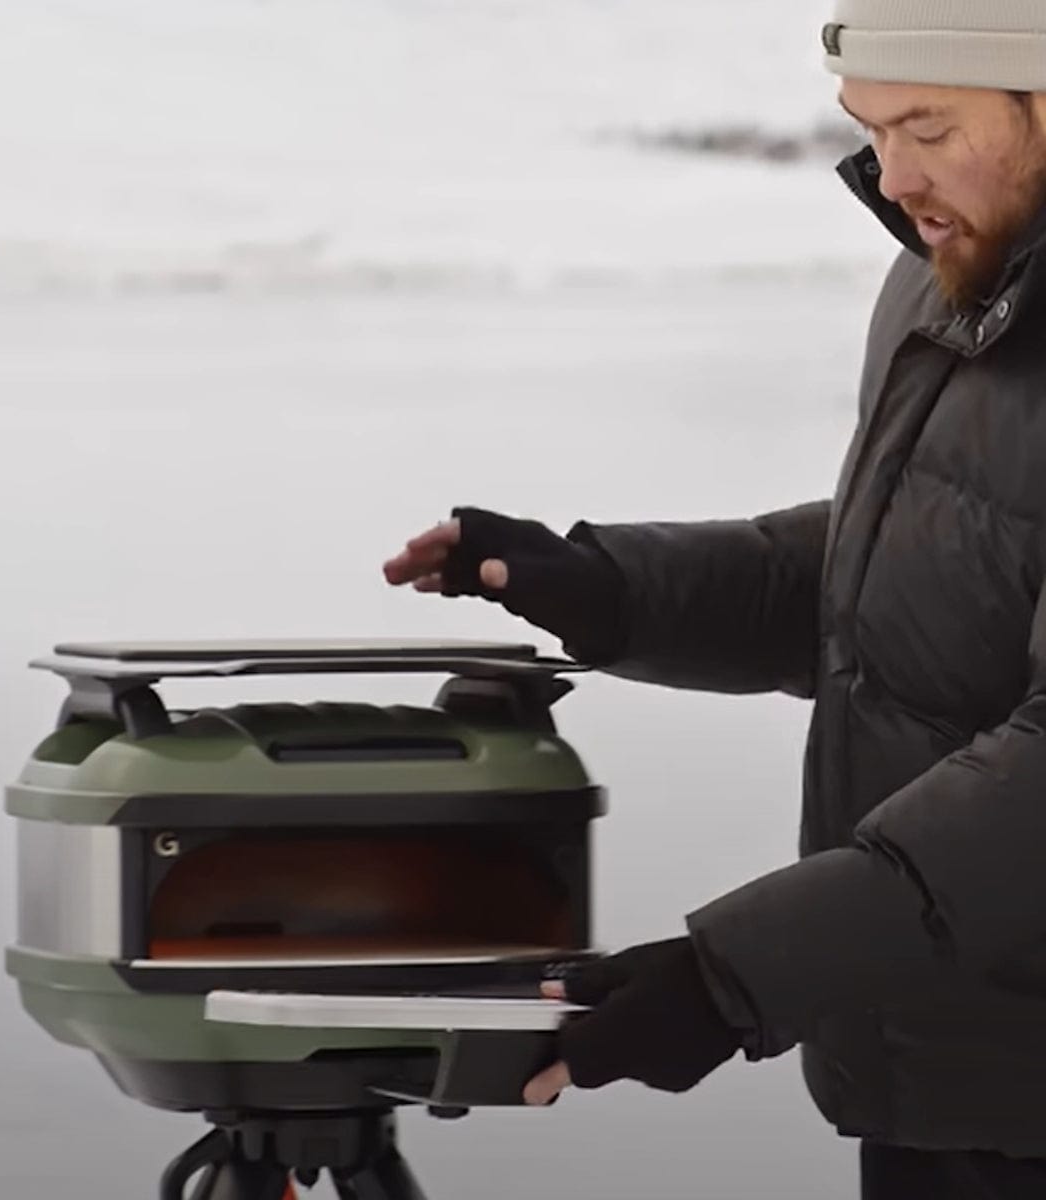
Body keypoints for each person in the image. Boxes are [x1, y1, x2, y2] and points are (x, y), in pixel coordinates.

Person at [382, 4, 1046, 1197]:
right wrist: (614, 589)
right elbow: (915, 579)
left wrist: (732, 977)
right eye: (869, 128)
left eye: (929, 127)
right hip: (947, 1057)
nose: (892, 177)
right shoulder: (956, 268)